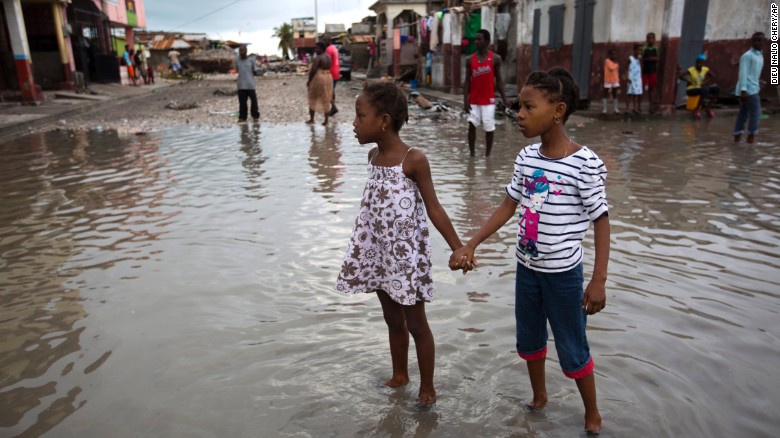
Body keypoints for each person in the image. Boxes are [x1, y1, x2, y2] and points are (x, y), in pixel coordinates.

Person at [450, 68, 610, 434]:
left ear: (558, 110)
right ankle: (539, 396)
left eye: (527, 106)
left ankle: (593, 412)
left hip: (564, 276)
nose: (518, 114)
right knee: (530, 339)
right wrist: (472, 243)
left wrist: (598, 281)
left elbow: (602, 221)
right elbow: (509, 205)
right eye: (518, 106)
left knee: (572, 346)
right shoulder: (526, 158)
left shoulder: (583, 164)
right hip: (527, 270)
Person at [336, 81, 465, 407]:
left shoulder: (413, 159)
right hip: (378, 253)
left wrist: (457, 247)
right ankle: (399, 376)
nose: (354, 123)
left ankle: (428, 389)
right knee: (393, 320)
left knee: (417, 325)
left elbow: (434, 207)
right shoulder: (373, 156)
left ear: (384, 120)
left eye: (360, 115)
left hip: (405, 258)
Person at [463, 29, 510, 157]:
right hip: (474, 99)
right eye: (476, 40)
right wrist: (465, 100)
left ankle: (487, 156)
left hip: (488, 100)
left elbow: (499, 80)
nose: (476, 42)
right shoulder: (469, 60)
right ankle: (472, 154)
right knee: (471, 125)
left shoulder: (495, 59)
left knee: (489, 127)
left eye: (479, 39)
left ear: (487, 41)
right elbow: (467, 81)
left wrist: (505, 99)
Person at [733, 32, 765, 143]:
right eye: (755, 40)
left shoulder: (760, 55)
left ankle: (737, 136)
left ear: (763, 42)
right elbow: (743, 73)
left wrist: (758, 81)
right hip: (748, 90)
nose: (757, 42)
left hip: (753, 87)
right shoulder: (747, 55)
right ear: (751, 42)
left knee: (743, 112)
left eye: (759, 40)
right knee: (756, 113)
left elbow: (752, 73)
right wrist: (743, 90)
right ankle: (751, 136)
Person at [679, 54, 720, 119]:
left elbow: (712, 76)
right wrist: (688, 81)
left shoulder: (705, 69)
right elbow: (680, 76)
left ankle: (708, 107)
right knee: (705, 90)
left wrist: (704, 82)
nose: (698, 64)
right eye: (697, 63)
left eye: (700, 63)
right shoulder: (691, 70)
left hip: (700, 88)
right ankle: (697, 109)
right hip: (691, 89)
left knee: (716, 89)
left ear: (703, 63)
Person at [306, 42, 333, 126]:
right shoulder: (328, 57)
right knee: (326, 98)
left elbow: (313, 70)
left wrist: (309, 80)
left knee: (312, 97)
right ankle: (326, 120)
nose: (315, 49)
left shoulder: (318, 58)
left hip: (319, 77)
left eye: (317, 48)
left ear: (322, 48)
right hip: (328, 76)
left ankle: (312, 119)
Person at [234, 45, 259, 123]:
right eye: (240, 51)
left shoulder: (251, 60)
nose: (241, 52)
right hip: (241, 85)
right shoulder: (237, 60)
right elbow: (237, 70)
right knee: (242, 103)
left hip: (250, 84)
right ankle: (242, 117)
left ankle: (255, 116)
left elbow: (254, 70)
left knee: (254, 102)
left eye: (242, 51)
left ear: (246, 51)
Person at [642, 32, 660, 113]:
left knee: (652, 88)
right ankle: (638, 105)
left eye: (652, 38)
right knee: (641, 88)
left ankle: (651, 105)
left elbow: (658, 58)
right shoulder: (644, 48)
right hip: (645, 71)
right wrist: (647, 59)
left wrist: (652, 59)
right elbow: (641, 59)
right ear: (646, 40)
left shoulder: (656, 48)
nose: (650, 40)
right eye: (649, 38)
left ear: (654, 39)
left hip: (653, 71)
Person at [625, 43, 643, 113]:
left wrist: (641, 60)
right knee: (629, 94)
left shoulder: (639, 60)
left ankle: (634, 108)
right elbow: (626, 69)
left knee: (636, 94)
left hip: (638, 79)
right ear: (634, 50)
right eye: (638, 50)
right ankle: (627, 108)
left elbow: (640, 68)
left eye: (641, 51)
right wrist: (627, 76)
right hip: (631, 79)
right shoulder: (630, 59)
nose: (639, 52)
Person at [324, 40, 341, 116]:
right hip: (336, 71)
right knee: (332, 91)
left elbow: (327, 61)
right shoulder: (334, 48)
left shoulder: (328, 49)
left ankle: (334, 107)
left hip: (331, 72)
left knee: (327, 91)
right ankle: (332, 108)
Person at [601, 48, 620, 114]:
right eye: (612, 54)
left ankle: (615, 108)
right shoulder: (607, 61)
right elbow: (612, 68)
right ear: (609, 55)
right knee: (605, 93)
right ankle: (604, 109)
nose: (614, 56)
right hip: (608, 80)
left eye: (615, 54)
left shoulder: (615, 62)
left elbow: (616, 72)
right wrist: (616, 64)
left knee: (615, 94)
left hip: (615, 80)